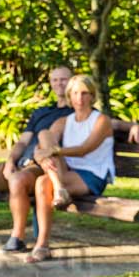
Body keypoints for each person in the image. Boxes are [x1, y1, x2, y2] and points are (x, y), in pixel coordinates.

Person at [0, 66, 139, 253]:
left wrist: (133, 126)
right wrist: (11, 161)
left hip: (47, 166)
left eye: (64, 80)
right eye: (55, 80)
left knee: (20, 179)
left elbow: (109, 125)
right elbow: (23, 141)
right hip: (30, 160)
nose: (61, 84)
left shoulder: (79, 112)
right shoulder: (43, 113)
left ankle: (17, 237)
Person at [27, 74, 114, 263]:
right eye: (75, 93)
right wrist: (40, 154)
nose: (79, 99)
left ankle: (42, 245)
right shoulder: (64, 121)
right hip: (65, 173)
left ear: (92, 96)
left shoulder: (101, 121)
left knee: (43, 182)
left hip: (92, 174)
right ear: (69, 96)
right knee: (43, 134)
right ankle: (59, 188)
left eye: (84, 93)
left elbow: (84, 150)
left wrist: (49, 152)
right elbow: (45, 140)